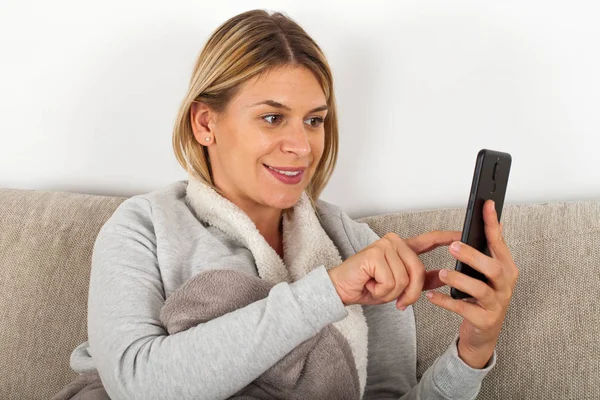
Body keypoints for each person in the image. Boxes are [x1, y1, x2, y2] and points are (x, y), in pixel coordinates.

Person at [55, 9, 519, 400]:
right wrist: (330, 291)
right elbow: (138, 384)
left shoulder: (357, 245)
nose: (301, 146)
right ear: (204, 123)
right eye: (273, 118)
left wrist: (472, 352)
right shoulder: (144, 227)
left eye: (314, 120)